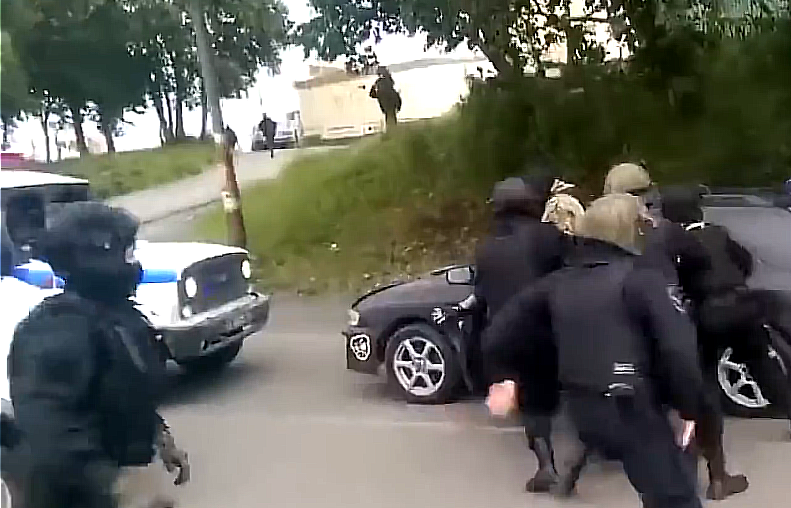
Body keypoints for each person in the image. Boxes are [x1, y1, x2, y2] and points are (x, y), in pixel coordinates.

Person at [483, 193, 707, 508]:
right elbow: (678, 349)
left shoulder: (557, 282)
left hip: (583, 410)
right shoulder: (644, 278)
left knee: (659, 487)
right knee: (676, 498)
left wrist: (506, 378)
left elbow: (497, 335)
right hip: (633, 406)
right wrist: (689, 409)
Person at [8, 202, 189, 508]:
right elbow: (50, 429)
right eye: (126, 252)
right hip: (72, 496)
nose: (134, 262)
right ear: (95, 256)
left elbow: (123, 391)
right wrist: (117, 486)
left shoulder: (118, 315)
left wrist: (158, 433)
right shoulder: (56, 328)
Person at [458, 174, 567, 493]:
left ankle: (546, 465)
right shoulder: (549, 236)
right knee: (574, 387)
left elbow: (482, 294)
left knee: (532, 403)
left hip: (509, 334)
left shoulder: (486, 248)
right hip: (551, 326)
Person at [671, 190, 791, 439]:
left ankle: (709, 434)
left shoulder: (677, 242)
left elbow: (674, 278)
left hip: (709, 311)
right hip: (742, 305)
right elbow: (745, 261)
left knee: (703, 372)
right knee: (763, 365)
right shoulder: (718, 233)